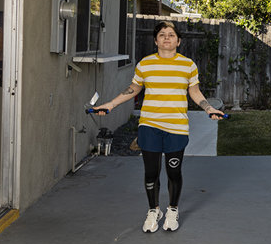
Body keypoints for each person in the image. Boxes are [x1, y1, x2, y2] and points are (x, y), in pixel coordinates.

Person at [93, 21, 224, 233]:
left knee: (174, 171)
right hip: (150, 125)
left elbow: (195, 92)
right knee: (151, 172)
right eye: (162, 35)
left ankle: (172, 209)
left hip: (176, 127)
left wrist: (208, 109)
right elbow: (133, 89)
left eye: (171, 35)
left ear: (178, 41)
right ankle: (153, 210)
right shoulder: (145, 64)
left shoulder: (188, 65)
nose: (166, 38)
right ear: (155, 41)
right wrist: (110, 104)